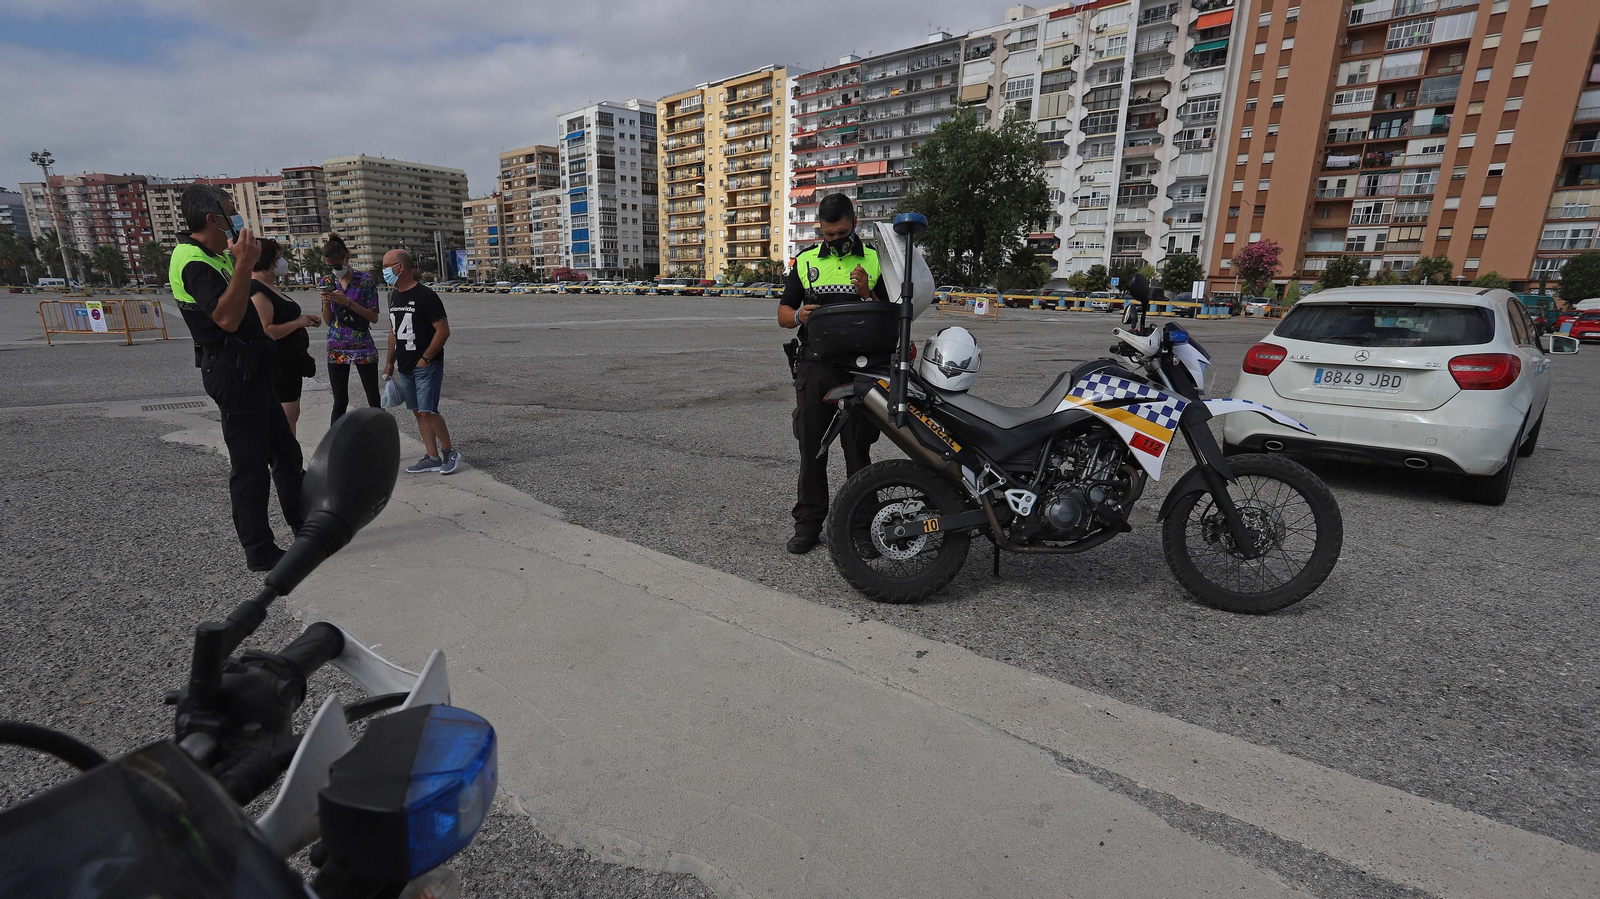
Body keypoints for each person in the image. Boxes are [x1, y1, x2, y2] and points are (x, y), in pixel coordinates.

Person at [167, 184, 304, 571]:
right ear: (213, 218)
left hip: (250, 367)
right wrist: (244, 264)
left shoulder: (214, 255)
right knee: (250, 464)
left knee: (286, 453)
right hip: (229, 370)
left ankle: (303, 526)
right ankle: (260, 551)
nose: (238, 220)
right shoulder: (193, 260)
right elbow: (225, 319)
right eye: (231, 212)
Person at [777, 193, 888, 554]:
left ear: (854, 223)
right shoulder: (806, 260)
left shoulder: (875, 259)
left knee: (857, 449)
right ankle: (808, 524)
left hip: (860, 366)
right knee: (812, 447)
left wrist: (866, 292)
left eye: (841, 233)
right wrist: (799, 316)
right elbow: (782, 314)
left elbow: (893, 313)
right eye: (829, 235)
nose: (836, 240)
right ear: (820, 231)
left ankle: (861, 527)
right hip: (816, 364)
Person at [381, 249, 461, 475]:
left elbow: (443, 330)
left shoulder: (426, 296)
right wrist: (389, 362)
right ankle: (432, 456)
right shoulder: (393, 296)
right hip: (405, 365)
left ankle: (449, 451)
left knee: (428, 411)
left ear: (400, 267)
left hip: (425, 365)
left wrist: (426, 358)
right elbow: (393, 331)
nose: (384, 271)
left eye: (387, 266)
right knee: (418, 412)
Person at [249, 238, 320, 434]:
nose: (282, 262)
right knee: (284, 422)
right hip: (278, 363)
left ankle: (290, 463)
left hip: (291, 364)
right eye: (277, 258)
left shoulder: (269, 286)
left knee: (291, 417)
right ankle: (285, 463)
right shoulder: (257, 290)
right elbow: (267, 330)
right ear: (266, 261)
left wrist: (304, 319)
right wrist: (299, 322)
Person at [318, 233, 381, 423]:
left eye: (336, 265)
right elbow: (329, 321)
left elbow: (374, 317)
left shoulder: (365, 280)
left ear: (347, 257)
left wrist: (348, 302)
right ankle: (333, 447)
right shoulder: (327, 282)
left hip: (362, 344)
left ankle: (380, 439)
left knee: (373, 396)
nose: (334, 270)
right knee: (340, 400)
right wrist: (326, 303)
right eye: (330, 266)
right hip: (336, 346)